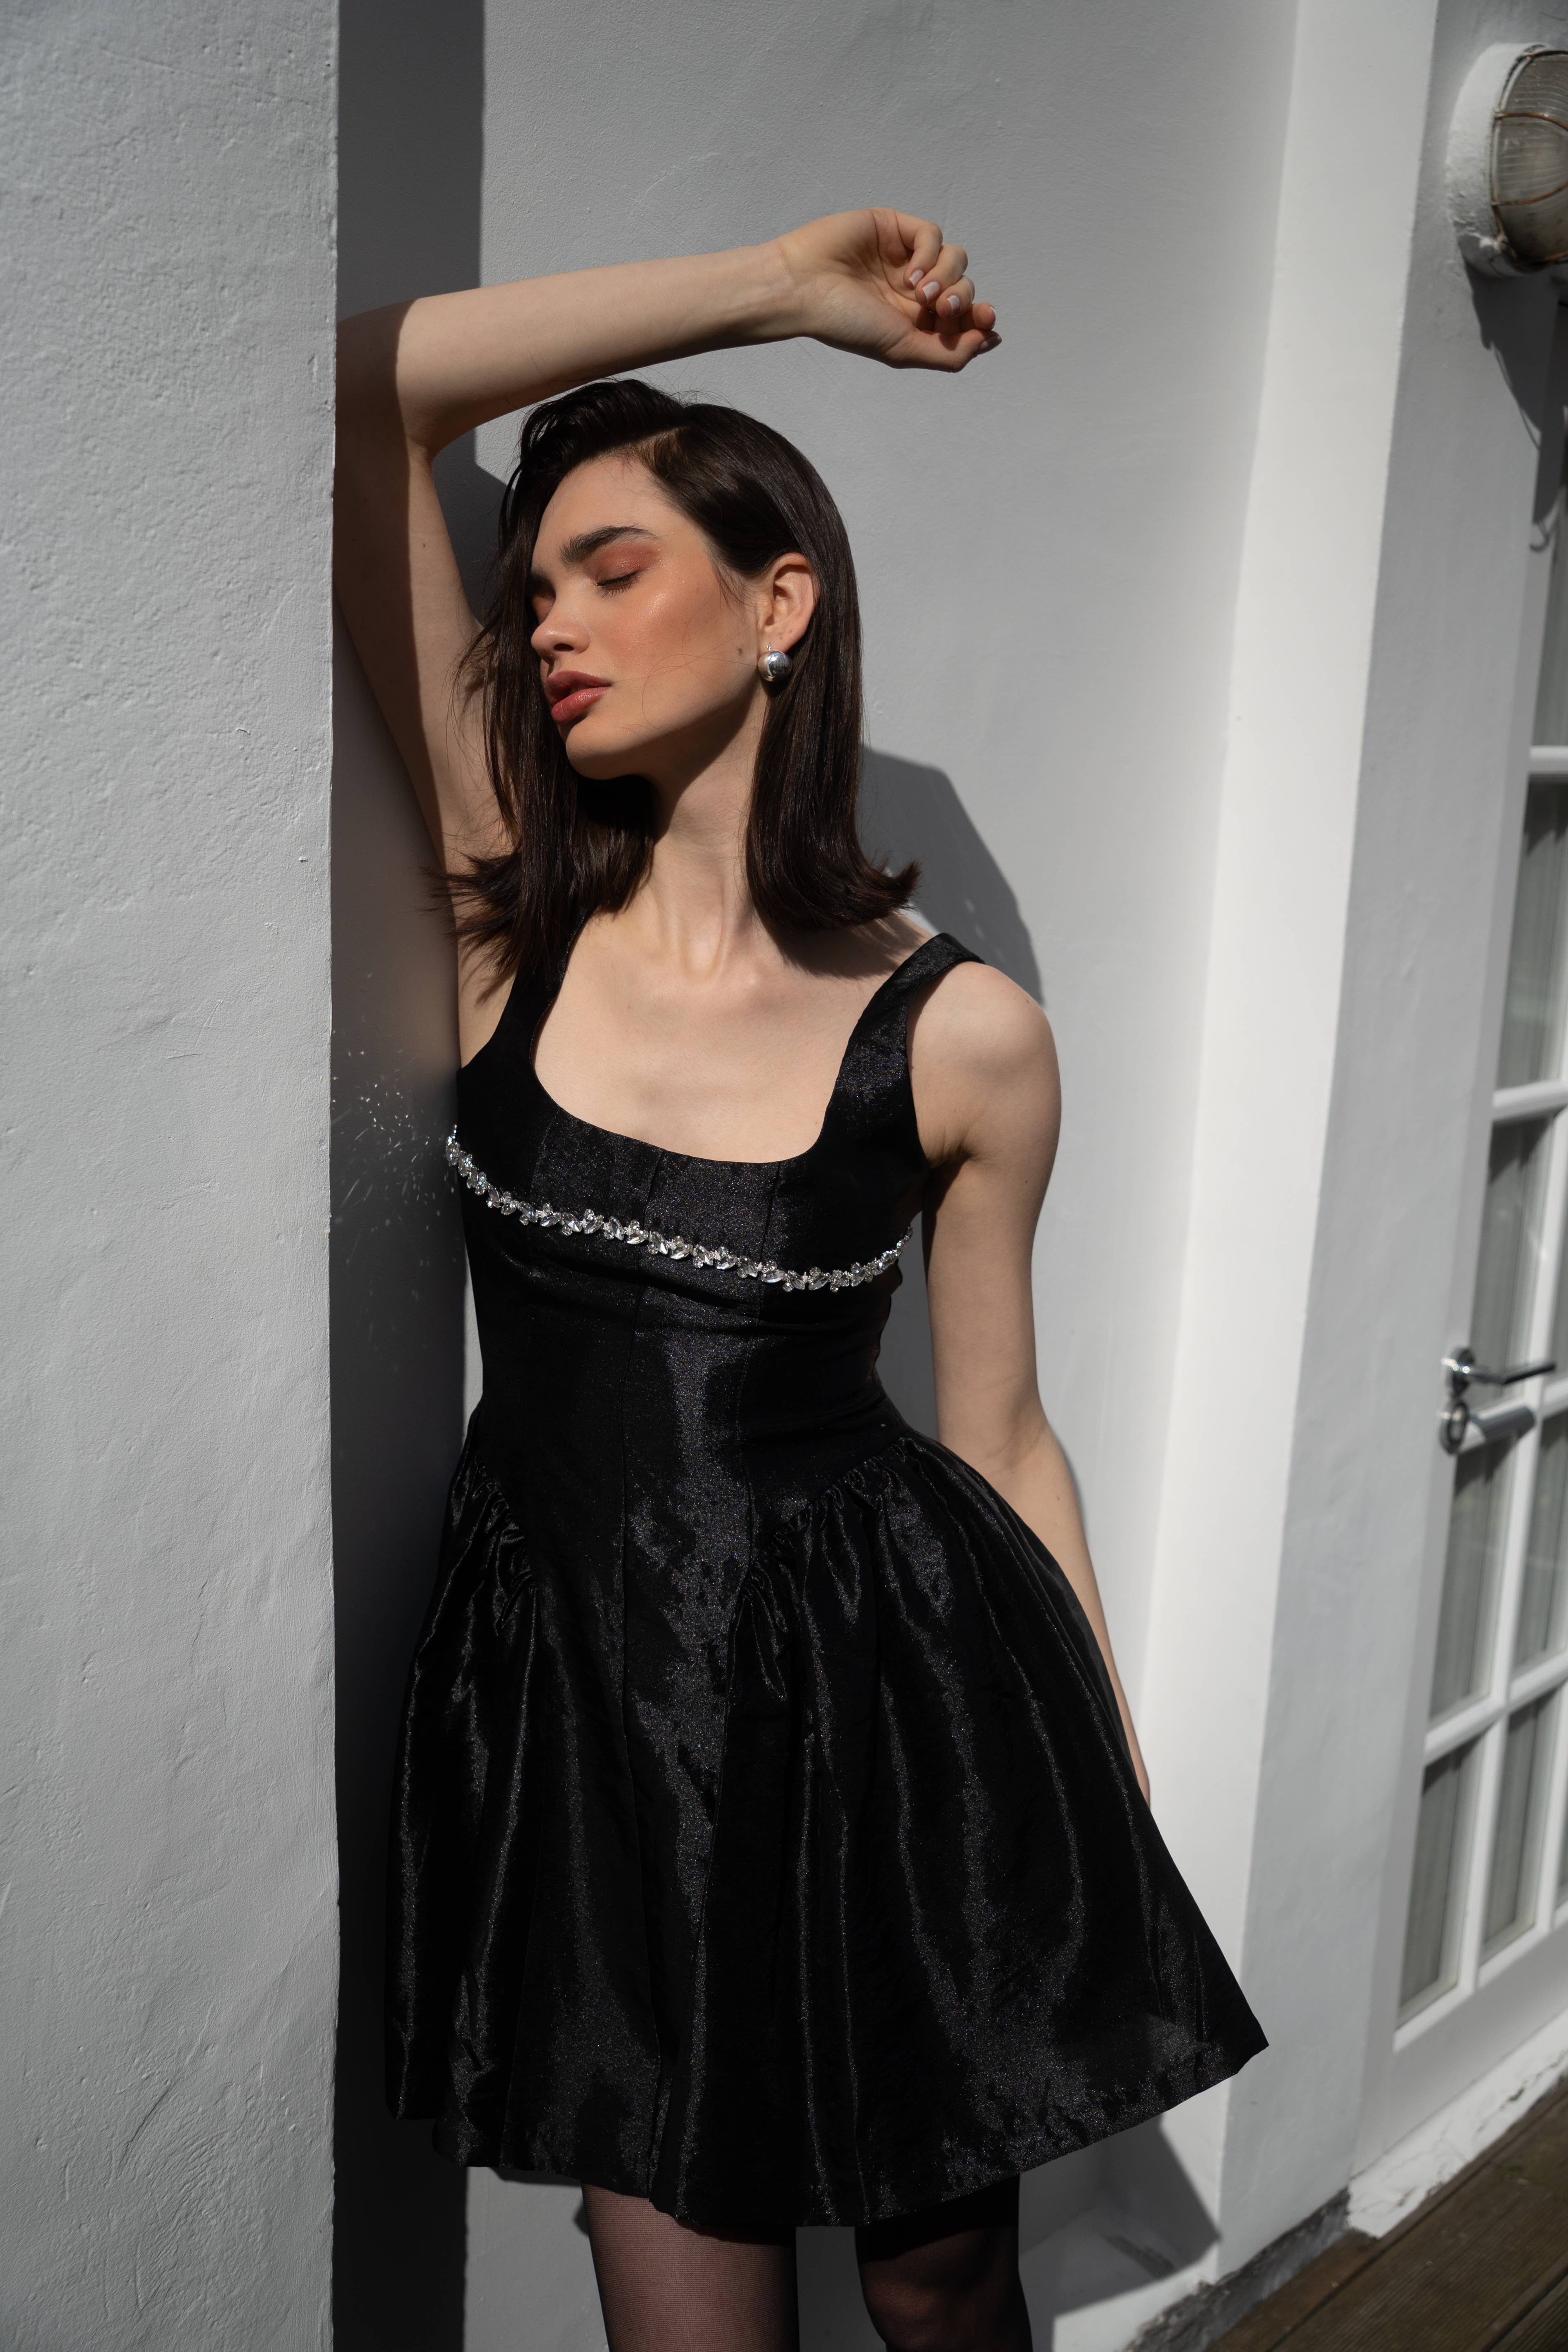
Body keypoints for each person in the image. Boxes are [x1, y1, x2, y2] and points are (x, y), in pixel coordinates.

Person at [335, 208, 1264, 2352]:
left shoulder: (966, 1034)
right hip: (590, 1714)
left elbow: (1000, 1434)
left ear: (778, 603)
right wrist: (775, 294)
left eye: (613, 569)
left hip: (893, 1705)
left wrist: (1096, 1803)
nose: (552, 627)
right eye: (532, 589)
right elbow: (372, 388)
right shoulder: (505, 908)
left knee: (942, 2284)